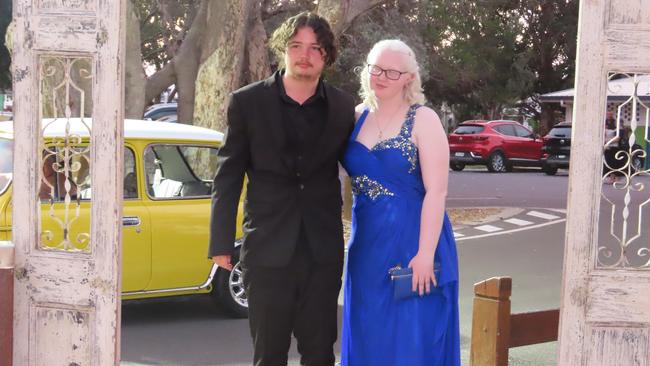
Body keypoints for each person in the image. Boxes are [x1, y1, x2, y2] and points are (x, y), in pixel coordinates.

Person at [208, 12, 355, 366]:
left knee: (320, 353)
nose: (305, 55)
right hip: (266, 249)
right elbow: (227, 176)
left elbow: (359, 167)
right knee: (269, 354)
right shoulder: (246, 102)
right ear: (282, 51)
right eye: (296, 46)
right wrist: (220, 242)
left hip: (323, 250)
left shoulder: (343, 106)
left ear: (327, 55)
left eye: (315, 48)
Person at [340, 39, 460, 366]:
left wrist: (424, 254)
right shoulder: (352, 118)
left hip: (414, 243)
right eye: (375, 68)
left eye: (391, 72)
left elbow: (437, 192)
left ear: (409, 78)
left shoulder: (424, 119)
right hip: (366, 247)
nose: (380, 76)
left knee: (412, 337)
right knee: (369, 334)